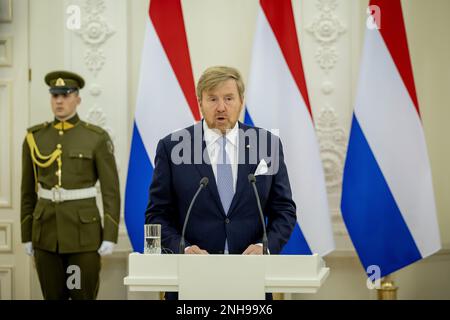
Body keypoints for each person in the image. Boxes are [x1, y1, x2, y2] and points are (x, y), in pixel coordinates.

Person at [145, 66, 297, 298]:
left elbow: (284, 210)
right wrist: (182, 249)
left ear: (241, 101)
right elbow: (156, 215)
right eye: (212, 99)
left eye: (228, 98)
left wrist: (265, 248)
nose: (221, 107)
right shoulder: (172, 147)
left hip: (250, 278)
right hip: (190, 278)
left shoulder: (267, 145)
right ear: (200, 102)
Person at [20, 70, 120, 300]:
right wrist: (27, 235)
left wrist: (110, 235)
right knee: (53, 296)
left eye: (65, 95)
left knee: (80, 295)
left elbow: (110, 192)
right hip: (45, 234)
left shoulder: (95, 137)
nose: (59, 101)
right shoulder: (35, 138)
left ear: (77, 98)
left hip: (82, 236)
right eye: (55, 95)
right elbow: (27, 192)